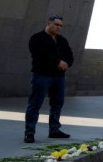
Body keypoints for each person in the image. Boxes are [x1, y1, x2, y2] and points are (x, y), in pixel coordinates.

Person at [23, 14, 74, 143]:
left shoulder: (62, 40)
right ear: (48, 24)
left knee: (57, 104)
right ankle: (29, 133)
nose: (59, 27)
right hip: (42, 75)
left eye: (61, 26)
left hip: (59, 77)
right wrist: (57, 62)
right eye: (56, 25)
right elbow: (40, 55)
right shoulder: (37, 38)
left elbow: (70, 55)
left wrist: (66, 63)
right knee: (35, 104)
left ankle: (54, 130)